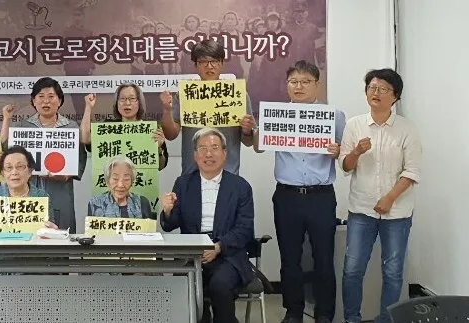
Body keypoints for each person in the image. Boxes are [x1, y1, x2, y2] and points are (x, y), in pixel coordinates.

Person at [253, 60, 345, 323]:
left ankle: (324, 313)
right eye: (293, 81)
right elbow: (259, 147)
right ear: (287, 86)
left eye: (305, 81)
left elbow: (345, 154)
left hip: (320, 196)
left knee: (323, 258)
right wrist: (253, 130)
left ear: (317, 85)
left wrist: (339, 151)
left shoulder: (334, 116)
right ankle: (293, 312)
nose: (299, 86)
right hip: (287, 196)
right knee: (289, 258)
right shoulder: (277, 114)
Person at [339, 69, 422, 323]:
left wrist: (389, 198)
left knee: (393, 272)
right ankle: (352, 318)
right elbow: (345, 166)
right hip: (361, 209)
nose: (376, 93)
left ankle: (386, 320)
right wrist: (356, 152)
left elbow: (412, 170)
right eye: (372, 88)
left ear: (395, 97)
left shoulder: (407, 129)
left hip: (397, 212)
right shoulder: (354, 125)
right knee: (352, 270)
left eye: (383, 89)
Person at [160, 127, 255, 323]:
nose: (208, 154)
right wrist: (168, 211)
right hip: (192, 254)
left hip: (228, 254)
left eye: (214, 148)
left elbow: (244, 229)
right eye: (202, 148)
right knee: (189, 288)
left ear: (225, 154)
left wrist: (218, 247)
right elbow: (170, 225)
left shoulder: (240, 187)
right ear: (195, 155)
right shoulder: (183, 183)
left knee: (220, 285)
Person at [160, 39, 257, 176]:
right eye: (203, 62)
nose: (209, 66)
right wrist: (167, 110)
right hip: (192, 175)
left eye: (215, 61)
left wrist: (247, 131)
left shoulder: (237, 94)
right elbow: (171, 135)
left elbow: (248, 142)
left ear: (222, 64)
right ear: (196, 65)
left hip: (228, 175)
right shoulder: (185, 94)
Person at [4, 77, 88, 233]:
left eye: (51, 96)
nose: (46, 102)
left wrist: (67, 175)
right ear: (33, 101)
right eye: (41, 97)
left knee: (62, 236)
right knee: (28, 235)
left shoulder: (71, 127)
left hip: (60, 191)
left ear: (60, 100)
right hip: (28, 192)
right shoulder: (23, 127)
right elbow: (9, 156)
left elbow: (80, 159)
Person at [80, 83, 168, 170]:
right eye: (122, 99)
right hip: (114, 182)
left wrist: (158, 148)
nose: (127, 103)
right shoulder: (108, 127)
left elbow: (161, 166)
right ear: (117, 103)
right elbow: (85, 139)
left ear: (139, 102)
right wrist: (88, 107)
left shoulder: (151, 128)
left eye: (132, 98)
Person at [0, 145, 59, 228]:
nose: (14, 172)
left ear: (30, 171)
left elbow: (48, 232)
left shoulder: (42, 196)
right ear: (2, 173)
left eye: (20, 167)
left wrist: (52, 230)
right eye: (9, 167)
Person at [87, 155, 152, 219]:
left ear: (132, 181)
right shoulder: (95, 204)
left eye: (126, 179)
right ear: (107, 181)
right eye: (115, 179)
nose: (120, 185)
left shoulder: (142, 203)